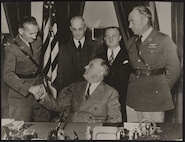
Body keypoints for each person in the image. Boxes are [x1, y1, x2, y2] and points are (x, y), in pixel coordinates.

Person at [126, 6, 180, 122]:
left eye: (132, 22)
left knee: (153, 134)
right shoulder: (131, 42)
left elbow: (175, 69)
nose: (130, 26)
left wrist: (161, 90)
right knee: (132, 132)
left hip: (154, 99)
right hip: (133, 97)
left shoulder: (163, 40)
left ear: (145, 20)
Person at [29, 58, 122, 123]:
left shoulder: (111, 93)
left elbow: (115, 120)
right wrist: (42, 96)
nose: (85, 67)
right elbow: (58, 106)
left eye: (91, 65)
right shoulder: (74, 87)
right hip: (72, 130)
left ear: (101, 72)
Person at [3, 16, 51, 121]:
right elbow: (7, 75)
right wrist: (29, 88)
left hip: (39, 90)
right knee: (21, 127)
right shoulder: (11, 48)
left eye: (36, 33)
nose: (35, 37)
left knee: (44, 124)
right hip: (20, 95)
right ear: (21, 31)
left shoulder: (38, 41)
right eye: (31, 33)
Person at [56, 16, 99, 92]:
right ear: (70, 29)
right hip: (69, 91)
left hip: (88, 91)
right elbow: (61, 75)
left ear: (85, 28)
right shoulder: (63, 48)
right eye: (74, 29)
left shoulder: (95, 47)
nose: (77, 33)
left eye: (80, 29)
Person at [97, 27, 131, 122]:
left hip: (121, 99)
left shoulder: (128, 55)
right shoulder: (99, 56)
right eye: (107, 36)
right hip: (102, 100)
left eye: (114, 36)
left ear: (120, 37)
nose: (110, 38)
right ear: (104, 39)